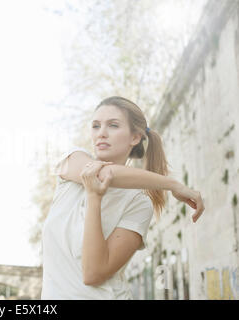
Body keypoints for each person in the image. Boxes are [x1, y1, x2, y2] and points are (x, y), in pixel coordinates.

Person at [41, 96, 204, 299]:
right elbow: (103, 174)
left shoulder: (139, 203)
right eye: (96, 126)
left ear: (135, 137)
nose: (101, 133)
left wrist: (94, 198)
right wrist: (172, 184)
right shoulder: (73, 161)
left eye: (113, 125)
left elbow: (93, 273)